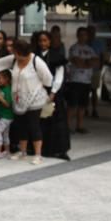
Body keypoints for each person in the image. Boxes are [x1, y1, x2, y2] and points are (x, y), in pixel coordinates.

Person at [0, 39, 54, 164]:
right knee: (21, 126)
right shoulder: (14, 59)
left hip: (34, 99)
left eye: (15, 52)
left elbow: (48, 79)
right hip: (18, 99)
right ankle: (23, 151)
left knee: (34, 126)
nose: (14, 54)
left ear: (21, 52)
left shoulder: (36, 61)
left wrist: (36, 86)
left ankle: (38, 155)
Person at [34, 30, 71, 160]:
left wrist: (53, 92)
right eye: (40, 41)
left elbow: (59, 76)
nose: (43, 43)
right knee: (40, 121)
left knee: (58, 121)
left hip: (53, 93)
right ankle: (41, 149)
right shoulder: (34, 56)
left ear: (49, 42)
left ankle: (60, 150)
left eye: (45, 40)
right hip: (38, 92)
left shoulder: (57, 56)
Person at [66, 27, 99, 134]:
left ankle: (79, 126)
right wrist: (87, 63)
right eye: (81, 34)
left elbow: (96, 62)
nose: (83, 37)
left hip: (86, 81)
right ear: (77, 35)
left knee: (82, 105)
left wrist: (85, 62)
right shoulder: (74, 48)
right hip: (75, 80)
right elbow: (77, 62)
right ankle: (67, 126)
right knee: (72, 105)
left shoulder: (90, 49)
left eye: (85, 34)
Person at [87, 25, 104, 118]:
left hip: (95, 70)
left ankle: (94, 109)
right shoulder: (84, 42)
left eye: (92, 32)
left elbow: (102, 55)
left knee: (94, 90)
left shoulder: (98, 43)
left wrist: (100, 67)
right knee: (85, 91)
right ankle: (84, 108)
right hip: (84, 70)